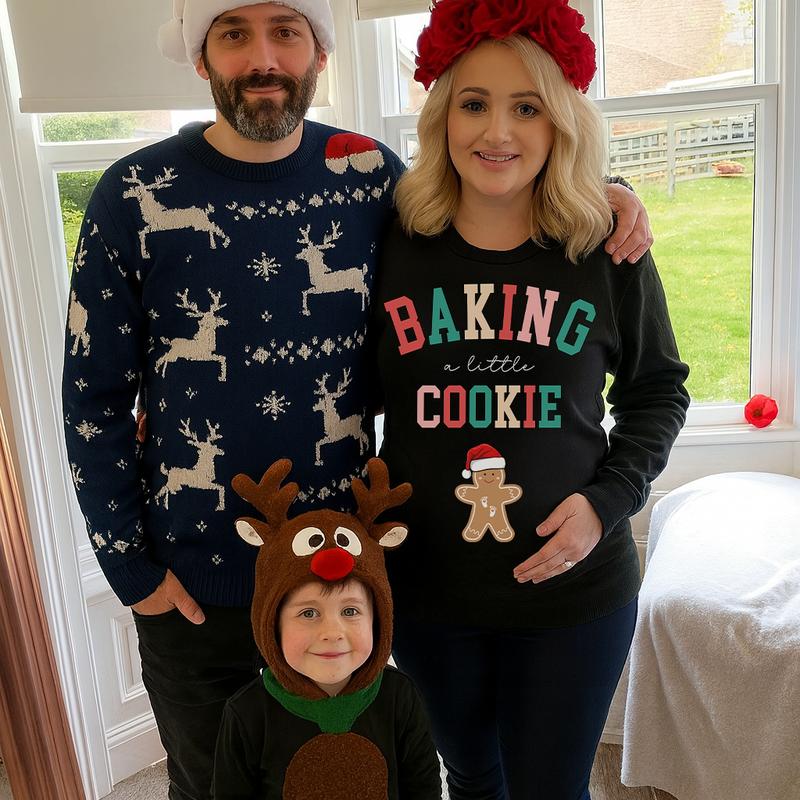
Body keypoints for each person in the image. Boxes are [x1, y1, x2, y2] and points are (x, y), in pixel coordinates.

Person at [60, 1, 653, 797]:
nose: (263, 57)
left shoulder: (369, 179)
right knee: (216, 784)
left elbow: (496, 185)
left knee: (361, 779)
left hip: (351, 577)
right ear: (201, 57)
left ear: (318, 54)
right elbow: (91, 400)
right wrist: (128, 567)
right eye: (233, 34)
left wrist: (609, 191)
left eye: (287, 31)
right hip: (201, 590)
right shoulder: (131, 195)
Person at [369, 1, 691, 798]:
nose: (497, 132)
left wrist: (607, 501)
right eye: (474, 104)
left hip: (574, 591)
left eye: (527, 107)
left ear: (562, 124)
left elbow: (658, 390)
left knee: (552, 786)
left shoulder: (603, 246)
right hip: (429, 588)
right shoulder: (390, 242)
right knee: (472, 775)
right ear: (444, 116)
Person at [212, 457, 441, 799]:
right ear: (271, 623)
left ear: (378, 619)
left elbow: (423, 788)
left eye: (350, 610)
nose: (332, 632)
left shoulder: (400, 698)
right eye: (308, 613)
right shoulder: (246, 716)